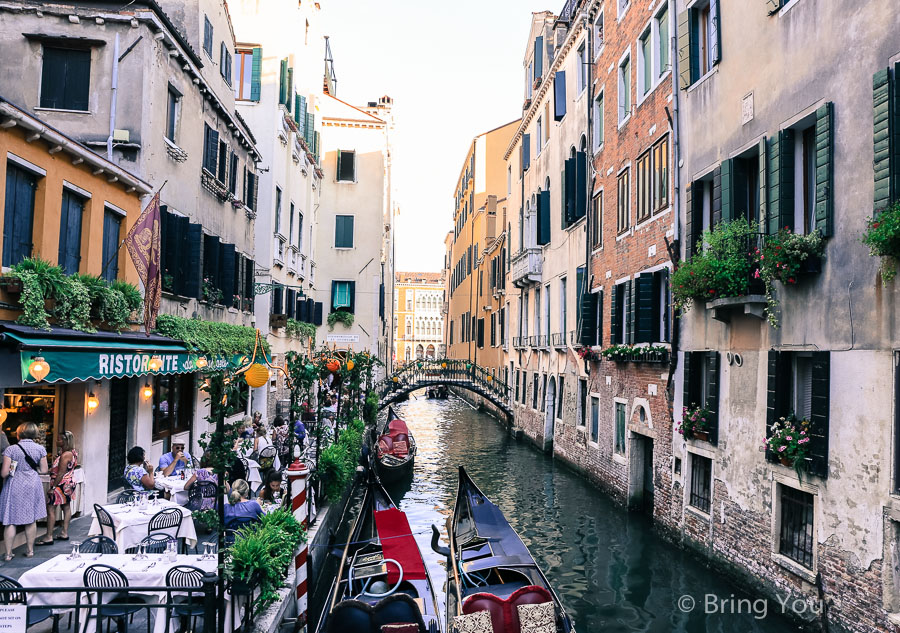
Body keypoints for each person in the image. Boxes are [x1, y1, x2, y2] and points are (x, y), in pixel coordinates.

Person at [0, 423, 48, 560]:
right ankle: (30, 550)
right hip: (32, 484)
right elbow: (44, 470)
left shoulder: (11, 449)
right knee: (30, 519)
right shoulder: (40, 449)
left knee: (10, 520)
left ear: (18, 433)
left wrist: (13, 470)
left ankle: (8, 554)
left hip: (15, 484)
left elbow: (4, 473)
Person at [37, 431, 78, 546]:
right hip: (68, 482)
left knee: (51, 509)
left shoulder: (65, 455)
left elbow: (60, 473)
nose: (56, 441)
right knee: (66, 507)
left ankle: (49, 536)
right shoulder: (71, 452)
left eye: (59, 439)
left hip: (60, 484)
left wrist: (53, 487)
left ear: (65, 441)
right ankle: (64, 532)